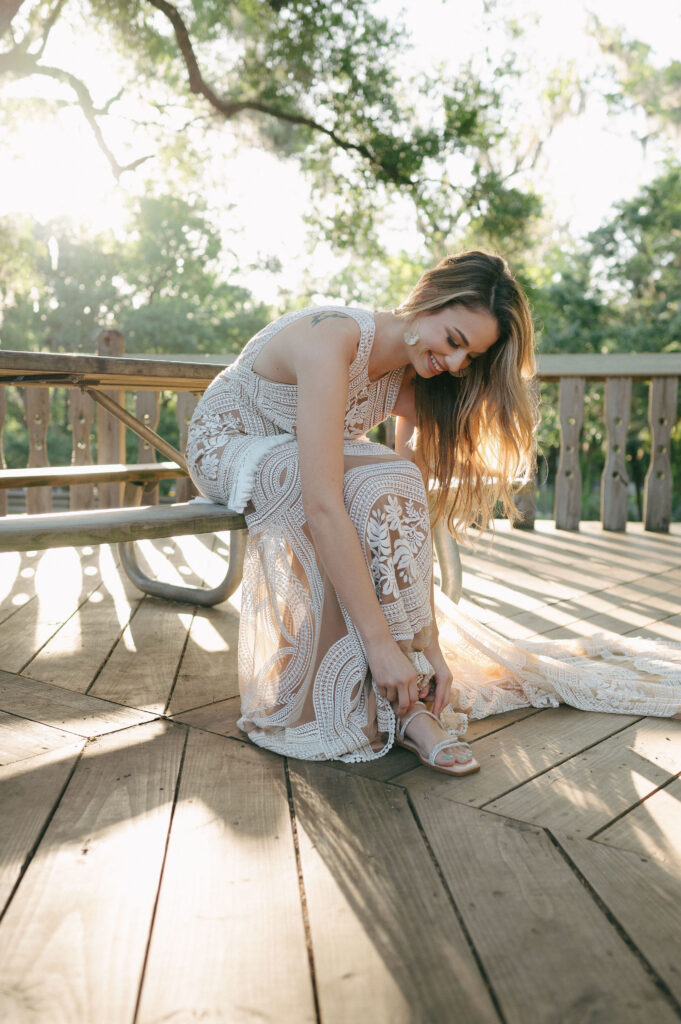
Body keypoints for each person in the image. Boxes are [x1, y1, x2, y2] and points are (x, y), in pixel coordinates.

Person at [186, 250, 681, 776]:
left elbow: (404, 518)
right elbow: (323, 503)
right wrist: (380, 644)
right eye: (455, 340)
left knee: (390, 481)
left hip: (301, 457)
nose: (456, 363)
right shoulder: (332, 339)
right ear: (427, 302)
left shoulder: (413, 378)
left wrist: (430, 644)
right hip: (230, 448)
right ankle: (385, 698)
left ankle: (410, 691)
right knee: (368, 481)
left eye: (470, 356)